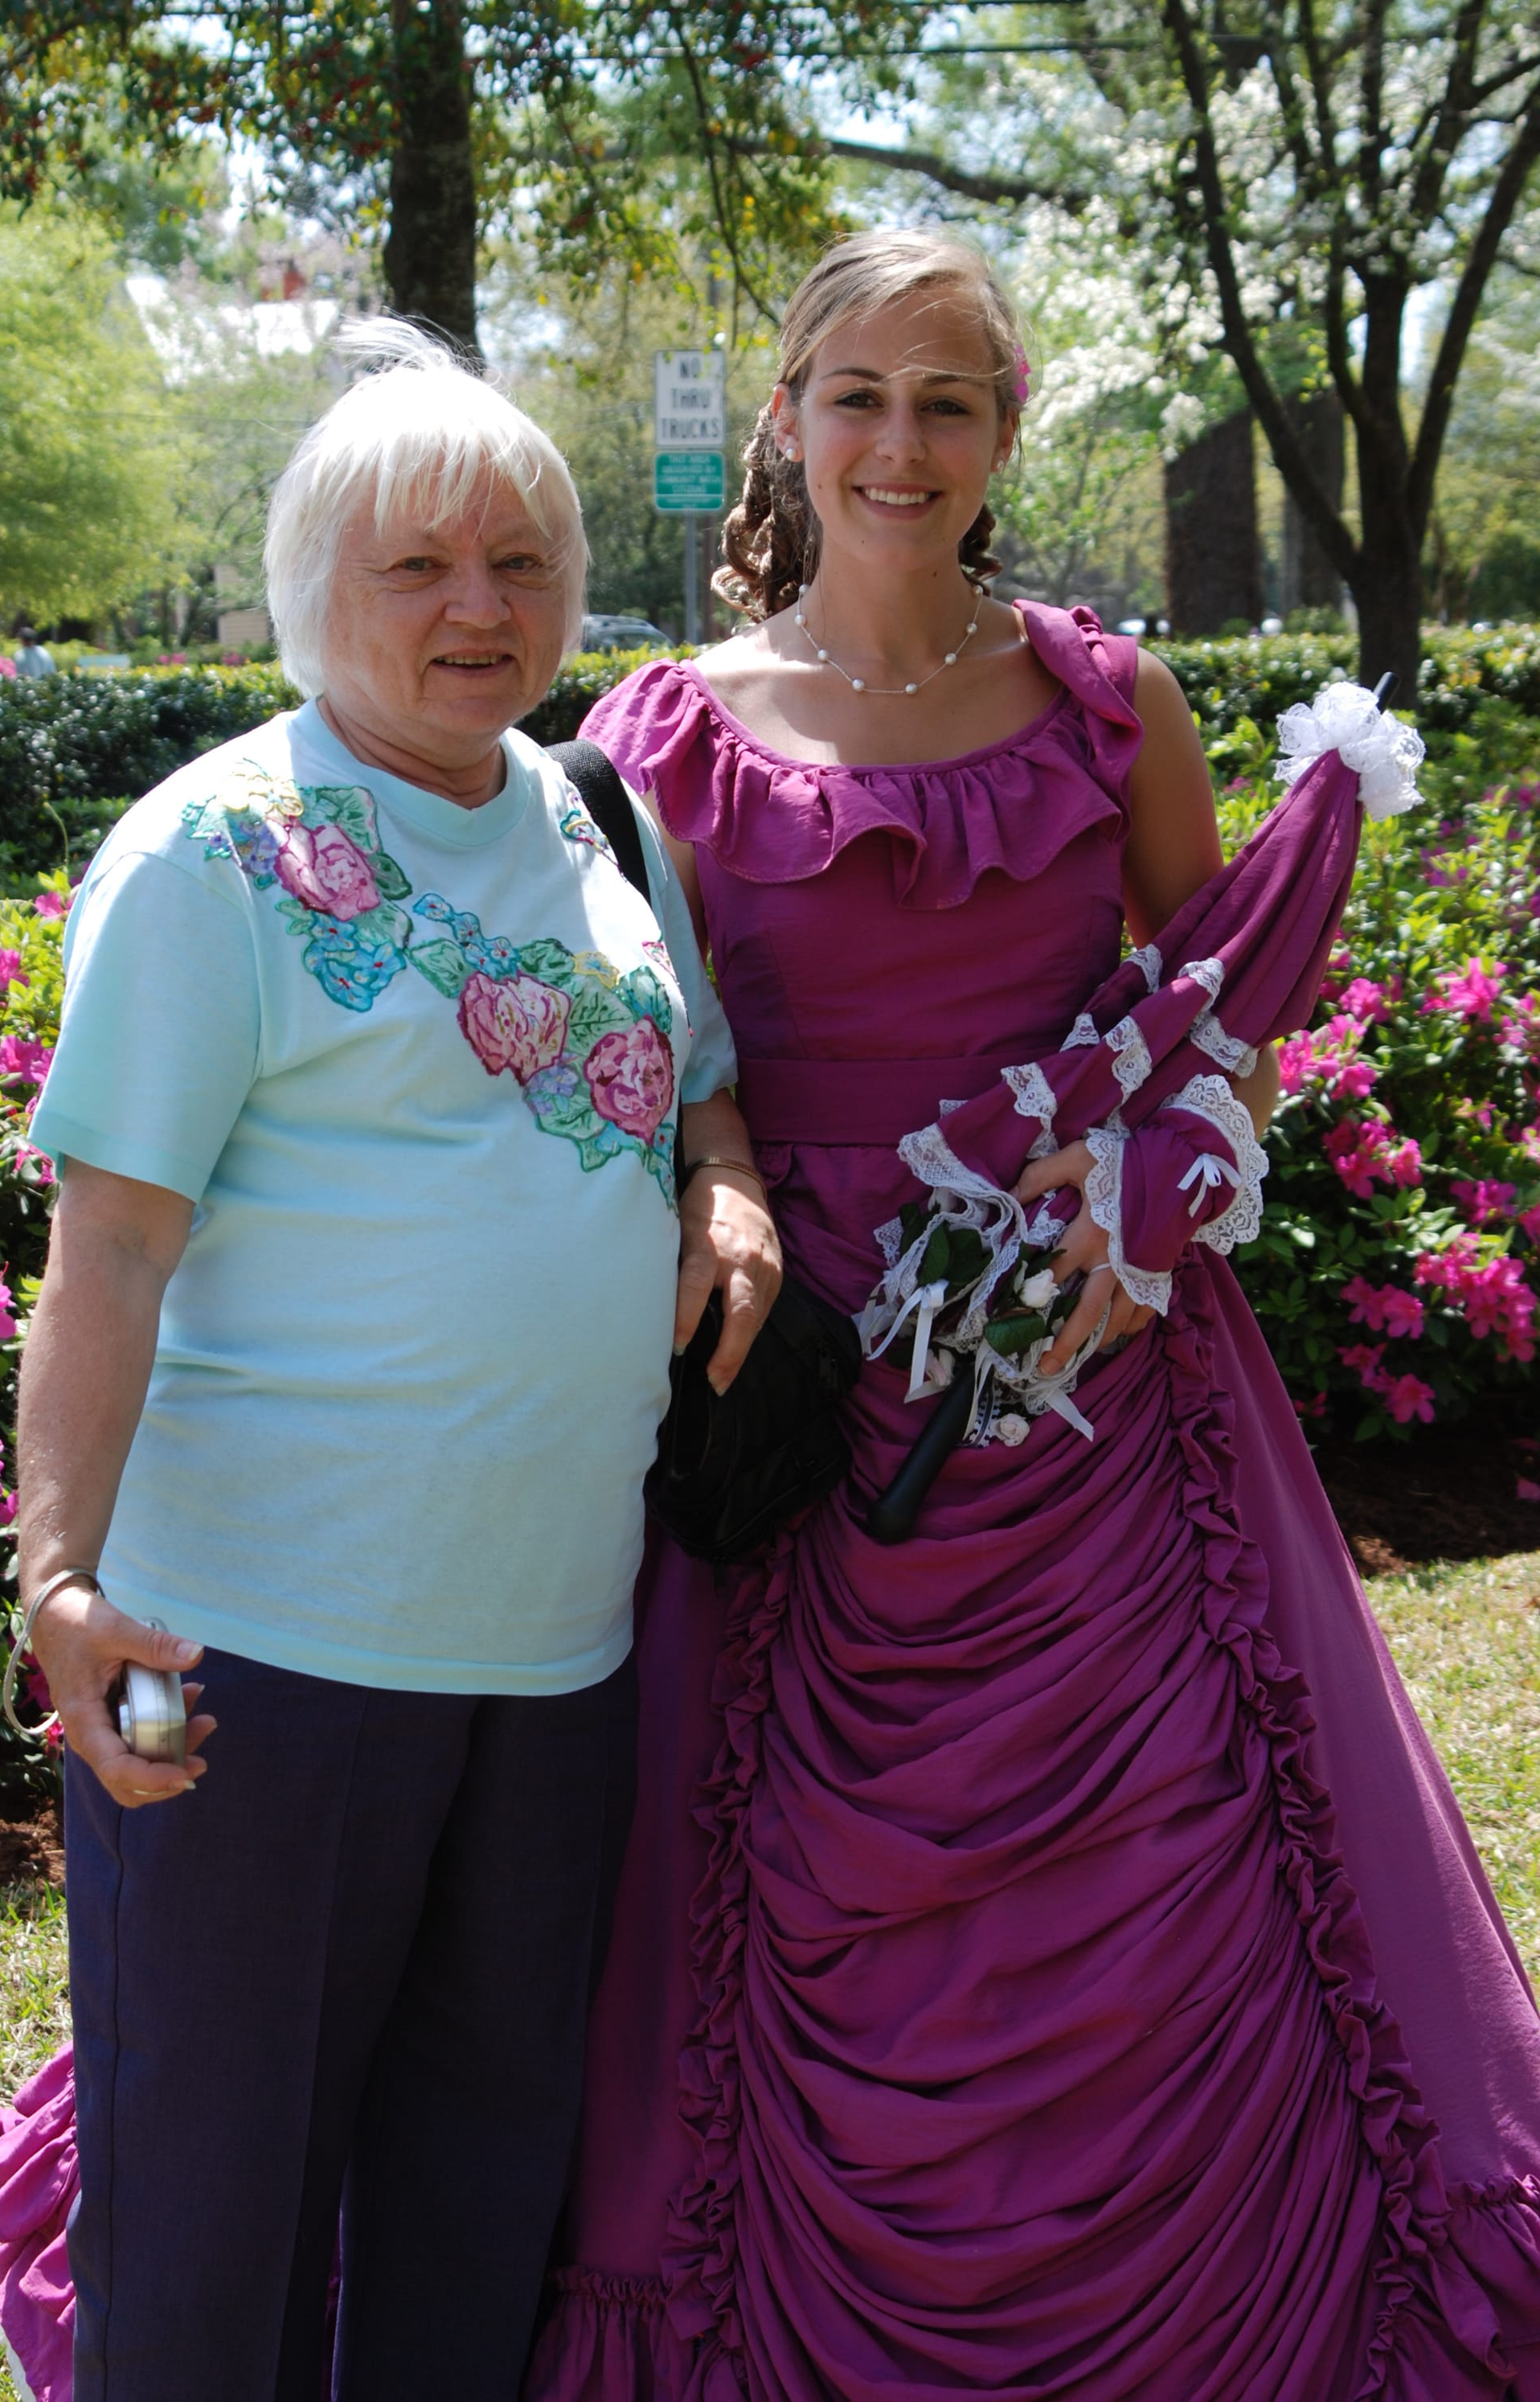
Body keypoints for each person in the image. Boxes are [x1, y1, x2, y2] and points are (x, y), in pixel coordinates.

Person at [524, 232, 1540, 2398]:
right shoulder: (659, 744)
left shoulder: (1111, 702)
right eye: (862, 397)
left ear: (1005, 434)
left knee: (1192, 1938)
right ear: (789, 416)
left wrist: (1153, 1202)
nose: (904, 445)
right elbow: (634, 1073)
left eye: (952, 402)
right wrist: (717, 1208)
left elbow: (1226, 1020)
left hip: (1110, 1448)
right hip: (799, 1445)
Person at [0, 319, 779, 2402]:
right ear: (309, 581)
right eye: (417, 564)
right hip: (237, 1646)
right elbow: (113, 1248)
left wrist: (727, 1182)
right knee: (208, 2203)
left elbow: (696, 1086)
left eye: (519, 560)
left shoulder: (600, 825)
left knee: (478, 2192)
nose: (479, 606)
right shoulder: (210, 853)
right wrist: (56, 1579)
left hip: (553, 1655)